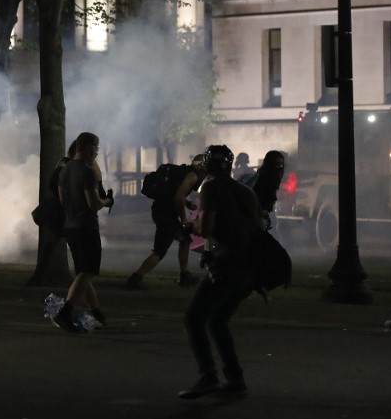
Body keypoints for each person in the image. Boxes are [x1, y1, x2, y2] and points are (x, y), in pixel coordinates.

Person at [178, 144, 262, 400]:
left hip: (227, 264)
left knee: (194, 318)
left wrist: (191, 225)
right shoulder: (245, 191)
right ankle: (235, 377)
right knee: (217, 320)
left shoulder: (211, 188)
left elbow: (206, 228)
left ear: (207, 166)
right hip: (250, 267)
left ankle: (209, 376)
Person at [52, 132, 114, 332]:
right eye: (95, 148)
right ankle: (65, 312)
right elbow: (94, 204)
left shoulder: (65, 169)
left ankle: (96, 313)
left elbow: (62, 199)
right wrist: (107, 201)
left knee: (82, 273)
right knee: (87, 271)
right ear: (88, 148)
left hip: (70, 226)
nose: (96, 153)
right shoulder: (88, 172)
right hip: (86, 226)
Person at [125, 154, 206, 289]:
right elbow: (178, 197)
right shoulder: (193, 175)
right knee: (160, 251)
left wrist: (186, 203)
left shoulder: (184, 172)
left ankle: (185, 275)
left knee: (185, 240)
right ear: (202, 165)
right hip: (165, 214)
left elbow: (173, 192)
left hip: (162, 211)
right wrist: (184, 219)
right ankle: (135, 278)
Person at [248, 150, 286, 231]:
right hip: (261, 215)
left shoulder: (269, 178)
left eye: (281, 165)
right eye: (277, 164)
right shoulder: (264, 178)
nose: (279, 167)